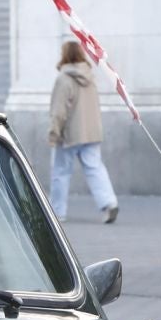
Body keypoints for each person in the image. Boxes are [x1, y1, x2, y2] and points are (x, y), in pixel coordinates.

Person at [47, 40, 119, 224]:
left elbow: (58, 110)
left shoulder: (63, 79)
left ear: (64, 55)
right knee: (95, 168)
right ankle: (109, 203)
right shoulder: (90, 77)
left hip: (70, 133)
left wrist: (54, 134)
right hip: (91, 132)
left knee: (61, 173)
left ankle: (58, 212)